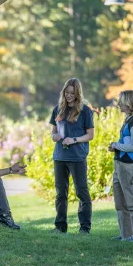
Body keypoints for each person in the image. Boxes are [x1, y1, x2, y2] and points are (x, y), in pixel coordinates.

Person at [49, 78, 94, 234]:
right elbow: (53, 131)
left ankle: (85, 227)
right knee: (61, 193)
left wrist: (74, 139)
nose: (68, 96)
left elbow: (90, 135)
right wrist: (53, 136)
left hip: (77, 157)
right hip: (60, 156)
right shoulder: (58, 109)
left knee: (81, 192)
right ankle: (60, 226)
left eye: (72, 93)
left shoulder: (85, 111)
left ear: (78, 94)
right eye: (66, 92)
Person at [108, 90, 133, 241]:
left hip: (128, 166)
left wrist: (116, 145)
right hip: (119, 165)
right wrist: (115, 147)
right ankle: (125, 234)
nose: (119, 105)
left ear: (129, 103)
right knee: (120, 202)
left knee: (130, 202)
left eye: (121, 101)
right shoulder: (127, 120)